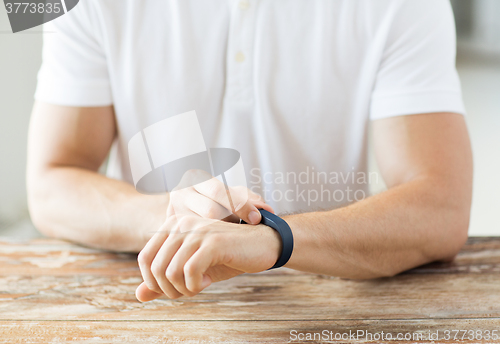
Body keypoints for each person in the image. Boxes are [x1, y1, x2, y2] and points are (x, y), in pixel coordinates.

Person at [27, 0, 473, 302]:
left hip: (331, 304)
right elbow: (51, 184)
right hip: (157, 302)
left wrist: (274, 239)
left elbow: (440, 208)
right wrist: (174, 219)